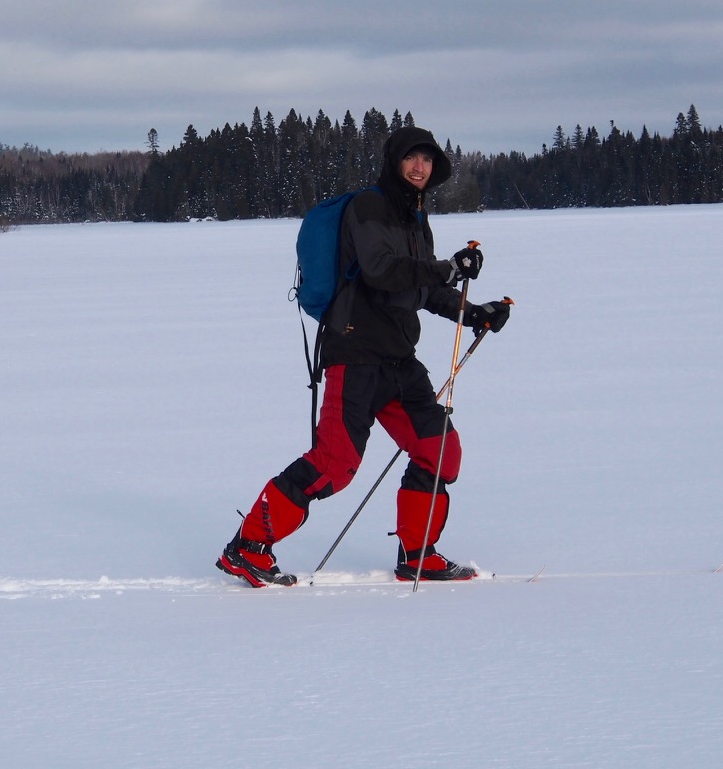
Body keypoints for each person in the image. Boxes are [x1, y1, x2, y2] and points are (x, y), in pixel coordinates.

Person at [216, 124, 511, 587]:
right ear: (395, 161)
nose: (419, 167)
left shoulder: (417, 219)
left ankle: (417, 555)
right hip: (354, 355)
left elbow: (424, 288)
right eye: (412, 158)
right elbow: (380, 271)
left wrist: (474, 312)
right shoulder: (368, 207)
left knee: (439, 451)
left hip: (398, 359)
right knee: (335, 464)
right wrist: (448, 267)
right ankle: (247, 546)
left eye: (428, 160)